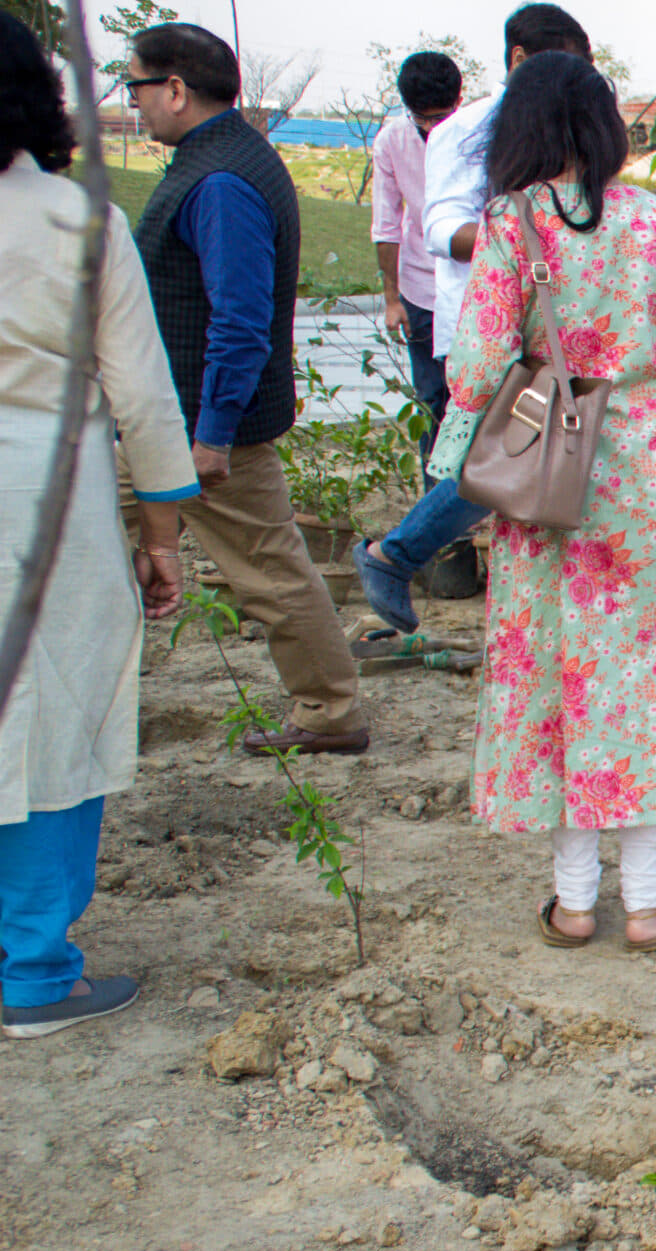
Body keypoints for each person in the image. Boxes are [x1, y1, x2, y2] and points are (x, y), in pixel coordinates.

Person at [424, 51, 656, 950]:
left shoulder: (510, 226)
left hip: (550, 473)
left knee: (560, 679)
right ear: (606, 126)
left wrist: (468, 434)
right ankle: (647, 903)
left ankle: (573, 901)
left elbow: (478, 368)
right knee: (650, 680)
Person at [0, 14, 194, 1037]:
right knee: (50, 720)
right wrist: (160, 541)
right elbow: (145, 400)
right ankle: (32, 972)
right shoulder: (81, 221)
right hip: (47, 495)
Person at [121, 22, 368, 756]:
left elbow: (239, 317)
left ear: (174, 88)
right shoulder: (220, 159)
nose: (132, 105)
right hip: (173, 418)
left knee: (270, 572)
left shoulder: (222, 180)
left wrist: (213, 432)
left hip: (200, 428)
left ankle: (332, 710)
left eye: (135, 87)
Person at [354, 3, 592, 632]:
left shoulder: (570, 122)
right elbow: (437, 227)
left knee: (528, 453)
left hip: (558, 314)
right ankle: (395, 554)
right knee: (502, 458)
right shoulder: (467, 130)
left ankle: (399, 556)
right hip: (486, 317)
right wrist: (525, 245)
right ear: (518, 60)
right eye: (561, 65)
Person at [370, 50, 464, 462]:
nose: (430, 128)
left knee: (479, 395)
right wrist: (392, 299)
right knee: (431, 399)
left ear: (457, 105)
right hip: (419, 287)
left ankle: (483, 501)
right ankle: (438, 511)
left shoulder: (478, 134)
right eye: (421, 119)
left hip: (473, 286)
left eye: (439, 118)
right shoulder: (392, 139)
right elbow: (386, 224)